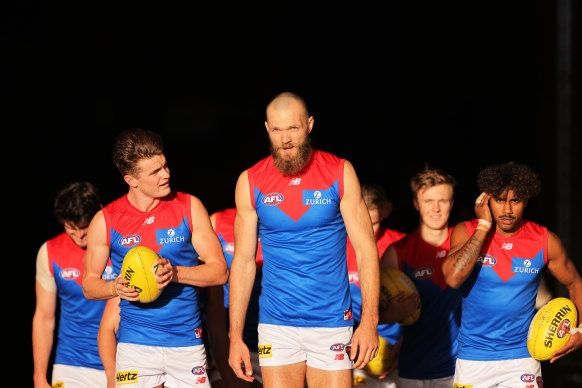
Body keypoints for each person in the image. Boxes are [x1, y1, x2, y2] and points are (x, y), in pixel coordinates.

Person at [228, 92, 380, 388]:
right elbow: (244, 262)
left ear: (309, 125)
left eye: (293, 128)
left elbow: (365, 250)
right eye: (276, 129)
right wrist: (235, 336)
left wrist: (370, 321)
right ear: (267, 129)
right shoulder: (250, 180)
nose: (285, 138)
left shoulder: (340, 171)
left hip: (332, 321)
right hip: (276, 324)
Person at [83, 128, 229, 388]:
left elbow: (220, 271)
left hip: (187, 343)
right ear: (131, 180)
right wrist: (113, 287)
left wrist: (176, 273)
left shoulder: (189, 206)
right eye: (155, 172)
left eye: (165, 166)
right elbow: (89, 284)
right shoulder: (106, 220)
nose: (166, 174)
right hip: (135, 346)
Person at [442, 161, 582, 387]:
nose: (507, 210)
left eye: (515, 200)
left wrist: (581, 330)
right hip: (473, 359)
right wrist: (483, 226)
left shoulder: (544, 240)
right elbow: (453, 277)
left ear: (526, 200)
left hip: (523, 359)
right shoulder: (466, 231)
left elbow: (575, 283)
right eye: (499, 200)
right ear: (487, 200)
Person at [380, 166, 461, 388]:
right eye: (428, 201)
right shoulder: (398, 252)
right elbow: (372, 313)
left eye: (443, 201)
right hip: (412, 368)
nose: (436, 208)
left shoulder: (466, 246)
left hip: (459, 368)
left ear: (452, 204)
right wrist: (390, 314)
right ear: (416, 203)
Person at [33, 181, 117, 387]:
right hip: (72, 364)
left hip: (122, 360)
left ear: (100, 212)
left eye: (84, 227)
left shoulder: (122, 246)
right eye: (71, 227)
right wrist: (39, 377)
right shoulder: (49, 252)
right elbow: (44, 317)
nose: (79, 235)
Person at [347, 183, 405, 388]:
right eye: (359, 222)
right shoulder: (335, 246)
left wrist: (404, 345)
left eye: (372, 223)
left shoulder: (401, 245)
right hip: (346, 350)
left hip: (391, 352)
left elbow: (419, 305)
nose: (366, 231)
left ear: (386, 211)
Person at [206, 208, 264, 387]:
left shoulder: (286, 218)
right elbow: (211, 303)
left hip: (276, 335)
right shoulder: (217, 221)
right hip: (230, 337)